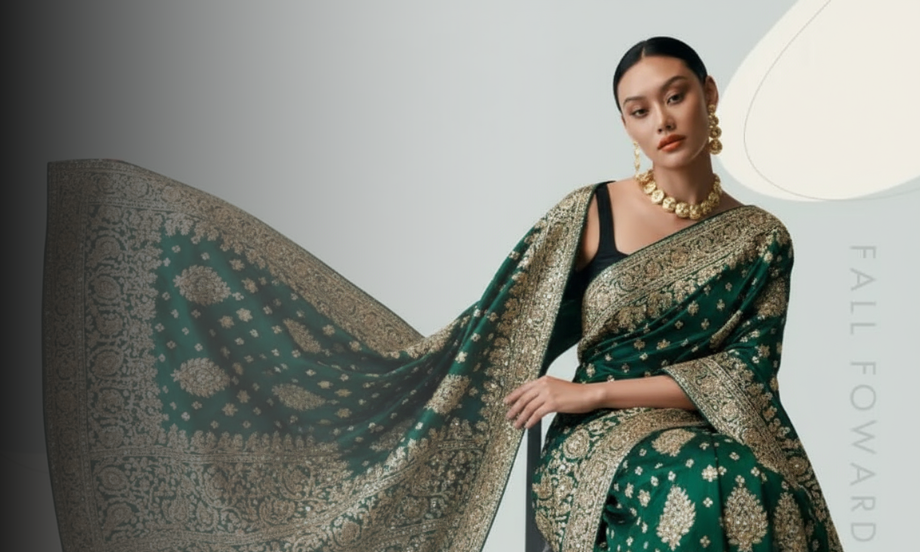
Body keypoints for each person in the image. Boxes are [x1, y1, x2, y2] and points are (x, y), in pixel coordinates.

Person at [42, 37, 839, 552]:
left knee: (771, 502)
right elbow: (494, 330)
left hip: (691, 422)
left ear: (708, 92)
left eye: (675, 95)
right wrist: (581, 401)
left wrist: (590, 387)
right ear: (625, 125)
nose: (662, 120)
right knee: (715, 494)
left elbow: (745, 376)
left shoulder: (762, 239)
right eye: (640, 110)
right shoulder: (589, 212)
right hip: (601, 440)